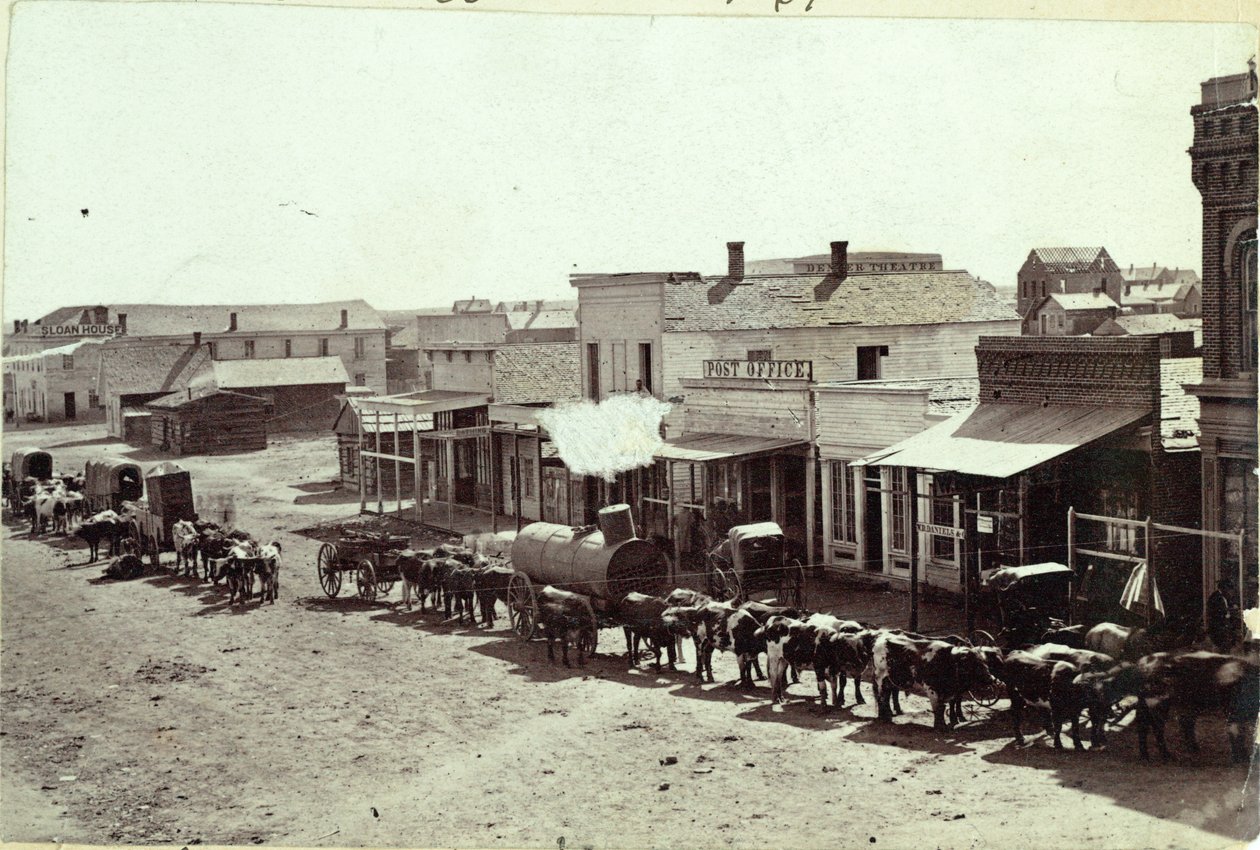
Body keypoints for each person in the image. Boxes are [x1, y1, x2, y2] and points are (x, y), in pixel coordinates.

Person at [1207, 576, 1240, 652]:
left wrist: (1232, 607)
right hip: (1218, 626)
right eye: (1229, 589)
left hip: (1223, 626)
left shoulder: (1223, 596)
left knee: (1224, 646)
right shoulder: (1215, 597)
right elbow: (1217, 612)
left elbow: (1226, 606)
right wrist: (1230, 610)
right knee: (1221, 647)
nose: (1230, 591)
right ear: (1224, 588)